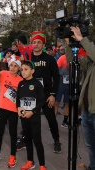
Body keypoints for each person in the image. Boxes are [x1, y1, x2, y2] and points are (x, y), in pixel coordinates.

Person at [65, 26, 95, 170]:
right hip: (87, 111)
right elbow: (72, 60)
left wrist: (82, 39)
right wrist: (68, 43)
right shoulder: (90, 64)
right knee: (90, 145)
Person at [0, 58, 23, 168]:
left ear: (19, 68)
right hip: (2, 108)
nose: (12, 67)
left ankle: (13, 156)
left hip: (13, 111)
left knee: (13, 134)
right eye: (11, 65)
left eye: (15, 66)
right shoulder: (4, 73)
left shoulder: (21, 80)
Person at [30, 30, 61, 154]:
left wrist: (53, 95)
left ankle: (57, 141)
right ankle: (27, 139)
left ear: (43, 44)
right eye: (34, 42)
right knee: (29, 118)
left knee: (51, 119)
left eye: (39, 42)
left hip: (47, 95)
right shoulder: (28, 58)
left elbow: (56, 77)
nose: (36, 44)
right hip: (32, 94)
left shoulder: (50, 59)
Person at [17, 60, 47, 170]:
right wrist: (19, 108)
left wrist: (33, 111)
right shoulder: (21, 84)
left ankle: (42, 165)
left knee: (37, 141)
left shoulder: (37, 84)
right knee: (27, 139)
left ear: (32, 71)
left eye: (26, 69)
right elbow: (18, 99)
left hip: (34, 118)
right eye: (22, 70)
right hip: (24, 117)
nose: (23, 72)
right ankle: (30, 161)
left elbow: (42, 101)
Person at [54, 54, 69, 128]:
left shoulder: (75, 58)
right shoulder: (62, 58)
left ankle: (65, 122)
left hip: (69, 85)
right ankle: (53, 122)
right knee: (56, 103)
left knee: (67, 103)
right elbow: (56, 70)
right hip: (60, 84)